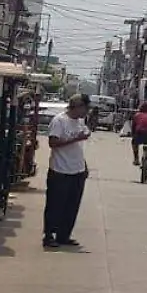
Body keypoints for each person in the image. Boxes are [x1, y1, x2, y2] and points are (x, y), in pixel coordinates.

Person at [44, 94, 93, 249]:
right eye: (85, 108)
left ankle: (64, 235)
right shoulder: (59, 121)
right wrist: (75, 139)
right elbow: (53, 142)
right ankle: (49, 235)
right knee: (55, 204)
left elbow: (79, 147)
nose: (86, 112)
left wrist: (84, 166)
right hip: (60, 170)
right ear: (78, 107)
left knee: (72, 206)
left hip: (77, 170)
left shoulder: (80, 122)